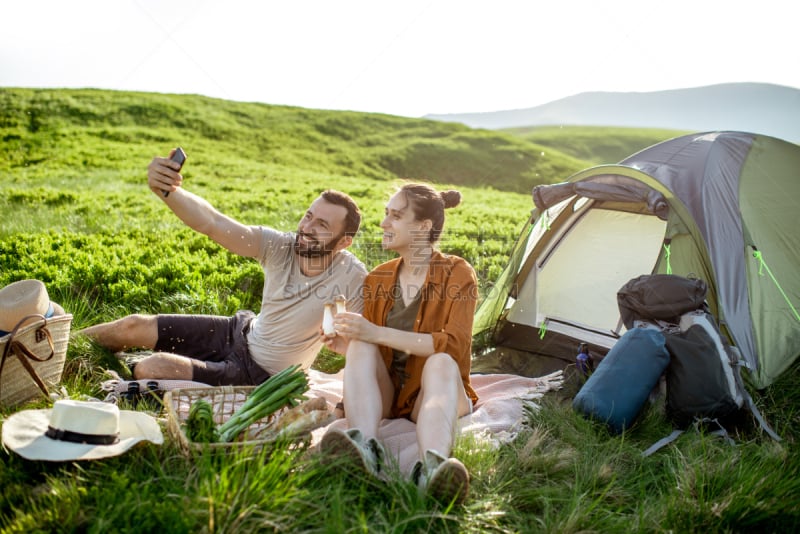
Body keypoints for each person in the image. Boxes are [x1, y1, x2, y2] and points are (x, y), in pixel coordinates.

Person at [79, 149, 367, 386]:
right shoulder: (280, 246)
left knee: (151, 368)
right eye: (308, 216)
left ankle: (124, 372)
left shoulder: (352, 277)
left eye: (322, 225)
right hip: (238, 332)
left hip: (259, 375)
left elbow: (368, 343)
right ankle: (59, 344)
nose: (307, 228)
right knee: (131, 326)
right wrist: (168, 191)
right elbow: (213, 223)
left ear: (344, 242)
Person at [319, 183, 478, 505]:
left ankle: (431, 468)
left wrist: (375, 333)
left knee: (441, 360)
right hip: (392, 397)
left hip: (436, 393)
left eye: (395, 216)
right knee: (362, 345)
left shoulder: (457, 273)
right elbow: (376, 351)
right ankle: (363, 448)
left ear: (423, 226)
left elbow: (454, 346)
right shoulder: (378, 278)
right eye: (386, 214)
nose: (384, 224)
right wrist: (348, 347)